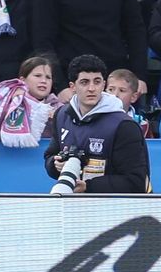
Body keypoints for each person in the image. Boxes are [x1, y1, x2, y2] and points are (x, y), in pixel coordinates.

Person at [43, 53, 149, 193]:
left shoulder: (124, 125)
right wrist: (55, 165)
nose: (92, 88)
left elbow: (136, 181)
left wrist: (88, 186)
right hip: (73, 203)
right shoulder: (62, 115)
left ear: (104, 85)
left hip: (116, 207)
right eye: (84, 82)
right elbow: (50, 156)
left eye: (97, 82)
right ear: (72, 86)